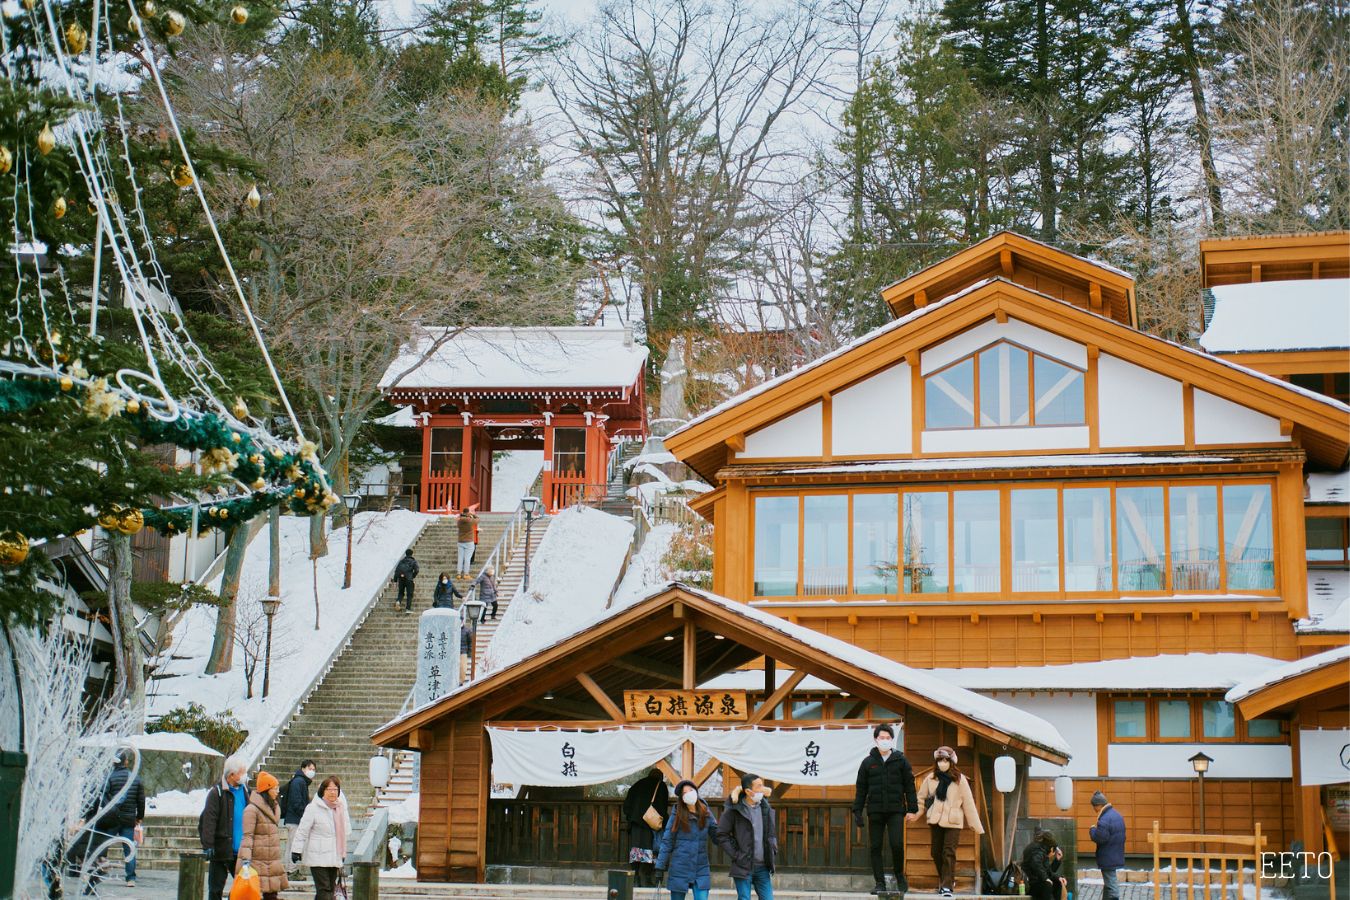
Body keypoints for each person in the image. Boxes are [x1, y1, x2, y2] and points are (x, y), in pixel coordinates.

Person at [852, 724, 918, 895]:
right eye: (882, 738)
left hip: (896, 809)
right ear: (876, 740)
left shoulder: (901, 760)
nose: (885, 740)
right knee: (875, 847)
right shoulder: (868, 762)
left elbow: (909, 786)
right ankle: (879, 882)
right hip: (875, 810)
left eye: (888, 738)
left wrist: (912, 808)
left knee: (896, 844)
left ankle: (899, 875)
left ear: (892, 740)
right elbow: (861, 788)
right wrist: (857, 811)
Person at [910, 746, 983, 898]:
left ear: (951, 761)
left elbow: (968, 803)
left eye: (946, 760)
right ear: (936, 762)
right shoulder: (930, 778)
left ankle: (947, 887)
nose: (943, 763)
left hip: (953, 821)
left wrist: (975, 825)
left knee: (948, 852)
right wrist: (916, 814)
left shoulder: (959, 779)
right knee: (936, 852)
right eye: (940, 760)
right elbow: (921, 799)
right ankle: (946, 880)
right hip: (935, 820)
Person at [655, 779, 719, 900]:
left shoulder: (706, 812)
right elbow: (667, 840)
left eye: (691, 790)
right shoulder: (677, 814)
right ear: (682, 798)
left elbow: (718, 836)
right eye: (685, 792)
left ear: (696, 792)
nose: (689, 793)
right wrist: (660, 866)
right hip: (680, 866)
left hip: (701, 866)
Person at [717, 773, 777, 900]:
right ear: (749, 791)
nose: (763, 789)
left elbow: (771, 833)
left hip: (763, 866)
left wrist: (772, 848)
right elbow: (722, 834)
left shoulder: (765, 807)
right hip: (743, 865)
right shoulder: (734, 809)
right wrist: (736, 854)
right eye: (759, 786)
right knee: (744, 898)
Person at [291, 776, 351, 900]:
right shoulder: (313, 808)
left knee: (329, 888)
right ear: (322, 791)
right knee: (324, 889)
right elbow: (302, 830)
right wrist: (296, 849)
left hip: (334, 855)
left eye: (335, 789)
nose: (333, 792)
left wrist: (342, 853)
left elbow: (344, 832)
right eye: (329, 789)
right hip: (317, 856)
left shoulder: (340, 808)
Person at [200, 755, 249, 900]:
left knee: (243, 888)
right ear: (232, 775)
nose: (244, 775)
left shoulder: (245, 790)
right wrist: (208, 844)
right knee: (216, 889)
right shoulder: (217, 793)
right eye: (242, 772)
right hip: (222, 849)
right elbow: (209, 820)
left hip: (241, 851)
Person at [237, 771, 289, 900]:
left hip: (271, 861)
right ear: (267, 789)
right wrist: (246, 860)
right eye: (275, 788)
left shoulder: (274, 808)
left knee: (271, 894)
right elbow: (247, 836)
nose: (277, 791)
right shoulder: (252, 810)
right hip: (257, 861)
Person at [101, 749, 145, 888]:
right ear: (126, 761)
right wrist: (139, 817)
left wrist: (109, 809)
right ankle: (130, 878)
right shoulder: (135, 778)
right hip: (128, 819)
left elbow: (103, 796)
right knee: (129, 848)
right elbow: (141, 800)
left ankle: (96, 871)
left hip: (112, 818)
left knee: (103, 845)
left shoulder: (109, 777)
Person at [623, 768, 669, 887]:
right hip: (652, 824)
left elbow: (627, 805)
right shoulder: (661, 786)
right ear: (660, 777)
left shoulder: (637, 785)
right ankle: (648, 879)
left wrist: (631, 818)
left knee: (636, 851)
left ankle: (636, 878)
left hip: (636, 824)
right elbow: (663, 805)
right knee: (652, 851)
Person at [1089, 791, 1126, 900]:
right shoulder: (1116, 815)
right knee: (1108, 883)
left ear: (1099, 805)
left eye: (1094, 806)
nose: (1094, 809)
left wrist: (1092, 830)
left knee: (1112, 885)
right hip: (1116, 852)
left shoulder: (1104, 819)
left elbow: (1100, 838)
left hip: (1108, 855)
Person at [281, 761, 315, 876]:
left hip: (294, 818)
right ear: (303, 768)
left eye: (314, 769)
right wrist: (305, 815)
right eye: (310, 768)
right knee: (293, 845)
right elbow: (296, 802)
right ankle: (291, 870)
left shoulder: (300, 781)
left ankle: (291, 869)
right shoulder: (299, 782)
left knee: (292, 844)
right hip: (294, 819)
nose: (312, 772)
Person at [1021, 829, 1067, 900]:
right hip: (1030, 885)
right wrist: (1045, 878)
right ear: (1051, 849)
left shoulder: (1041, 850)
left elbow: (1048, 871)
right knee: (1047, 884)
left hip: (1036, 883)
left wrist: (1058, 877)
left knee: (1057, 882)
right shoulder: (1038, 850)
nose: (1052, 855)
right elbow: (1036, 864)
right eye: (1053, 854)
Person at [456, 507, 478, 576]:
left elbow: (459, 518)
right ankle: (466, 574)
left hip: (460, 541)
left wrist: (461, 515)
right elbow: (478, 519)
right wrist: (473, 515)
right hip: (469, 542)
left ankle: (459, 573)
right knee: (467, 559)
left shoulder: (459, 521)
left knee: (460, 558)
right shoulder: (470, 521)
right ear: (468, 513)